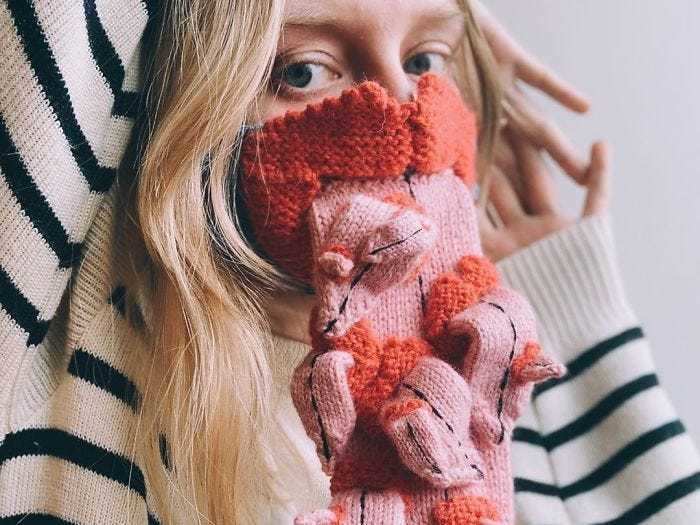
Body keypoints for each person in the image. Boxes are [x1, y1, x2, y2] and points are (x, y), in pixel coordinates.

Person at [0, 1, 697, 524]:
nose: (404, 102)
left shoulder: (475, 368)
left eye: (427, 62)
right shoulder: (71, 334)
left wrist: (570, 313)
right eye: (302, 71)